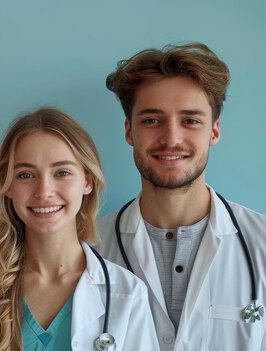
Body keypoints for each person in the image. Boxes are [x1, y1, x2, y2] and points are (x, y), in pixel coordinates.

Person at [0, 108, 159, 351]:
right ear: (8, 186)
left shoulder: (127, 294)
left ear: (87, 181)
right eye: (25, 175)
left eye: (62, 173)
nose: (44, 191)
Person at [96, 43, 266, 350]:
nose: (171, 139)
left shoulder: (262, 244)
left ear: (214, 132)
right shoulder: (89, 250)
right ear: (129, 131)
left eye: (190, 121)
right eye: (151, 120)